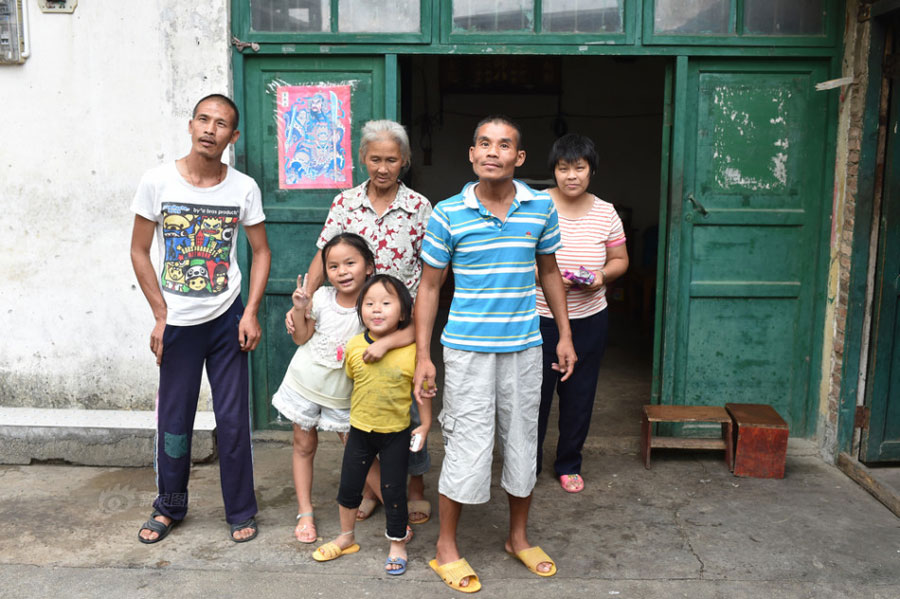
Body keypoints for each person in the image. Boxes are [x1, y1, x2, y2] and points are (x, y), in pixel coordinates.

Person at [413, 116, 577, 592]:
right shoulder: (447, 213)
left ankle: (518, 538)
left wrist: (563, 335)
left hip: (524, 347)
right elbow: (428, 287)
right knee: (466, 442)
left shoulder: (539, 209)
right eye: (484, 143)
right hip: (466, 351)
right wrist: (425, 355)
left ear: (519, 158)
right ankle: (447, 546)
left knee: (525, 440)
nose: (492, 151)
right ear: (471, 154)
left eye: (504, 145)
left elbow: (550, 273)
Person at [131, 93, 271, 543]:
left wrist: (249, 311)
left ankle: (240, 511)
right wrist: (159, 314)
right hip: (178, 323)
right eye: (204, 120)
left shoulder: (243, 188)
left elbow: (261, 251)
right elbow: (138, 251)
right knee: (174, 420)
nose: (211, 129)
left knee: (232, 421)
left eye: (222, 123)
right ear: (191, 125)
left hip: (227, 318)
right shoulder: (158, 182)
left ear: (234, 135)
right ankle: (169, 506)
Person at [285, 119, 434, 531]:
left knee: (406, 408)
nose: (382, 167)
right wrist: (308, 303)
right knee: (365, 412)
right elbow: (325, 254)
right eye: (375, 159)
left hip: (400, 325)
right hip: (356, 324)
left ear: (403, 161)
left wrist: (419, 335)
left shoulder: (421, 207)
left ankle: (415, 484)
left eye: (391, 160)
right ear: (363, 159)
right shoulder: (345, 203)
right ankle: (372, 491)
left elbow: (430, 276)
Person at [313, 274, 431, 577]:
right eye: (369, 303)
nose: (376, 310)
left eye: (386, 303)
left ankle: (397, 543)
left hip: (396, 433)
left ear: (403, 313)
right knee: (349, 487)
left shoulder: (412, 349)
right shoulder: (354, 346)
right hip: (360, 432)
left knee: (392, 490)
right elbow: (354, 380)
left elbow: (423, 391)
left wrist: (426, 423)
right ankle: (346, 537)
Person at [536, 134, 629, 494]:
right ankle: (526, 464)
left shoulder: (606, 212)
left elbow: (620, 260)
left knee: (579, 395)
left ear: (591, 171)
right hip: (540, 316)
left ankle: (569, 462)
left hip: (590, 317)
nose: (571, 176)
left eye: (579, 168)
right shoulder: (536, 205)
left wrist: (600, 276)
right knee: (535, 395)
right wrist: (550, 278)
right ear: (554, 171)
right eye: (563, 168)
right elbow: (519, 255)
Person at [272, 233, 375, 544]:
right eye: (333, 266)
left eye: (350, 263)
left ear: (368, 267)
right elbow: (301, 339)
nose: (341, 271)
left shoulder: (374, 303)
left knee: (358, 449)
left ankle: (387, 503)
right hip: (304, 384)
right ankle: (305, 511)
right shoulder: (321, 299)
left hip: (343, 392)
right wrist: (302, 309)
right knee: (303, 446)